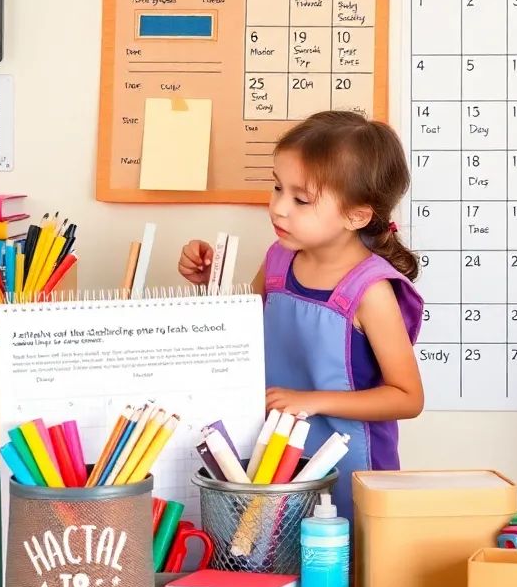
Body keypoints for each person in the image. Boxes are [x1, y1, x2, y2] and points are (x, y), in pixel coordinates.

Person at [178, 110, 425, 522]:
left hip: (353, 467)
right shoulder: (278, 259)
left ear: (357, 215)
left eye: (301, 199)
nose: (278, 208)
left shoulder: (371, 292)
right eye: (278, 187)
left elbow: (408, 397)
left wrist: (310, 402)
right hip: (275, 457)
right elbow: (241, 334)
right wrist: (210, 283)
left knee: (340, 557)